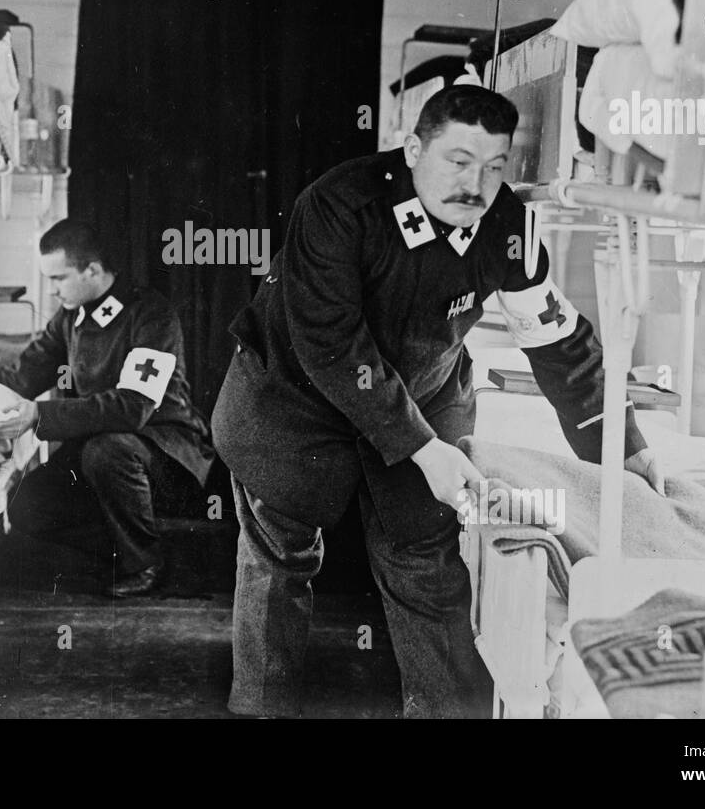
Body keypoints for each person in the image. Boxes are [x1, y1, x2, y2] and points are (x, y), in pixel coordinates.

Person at [211, 84, 663, 718]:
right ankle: (261, 708)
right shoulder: (340, 206)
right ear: (414, 148)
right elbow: (332, 343)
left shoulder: (507, 226)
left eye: (494, 166)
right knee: (279, 558)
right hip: (294, 400)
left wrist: (623, 443)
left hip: (424, 395)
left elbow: (556, 338)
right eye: (458, 160)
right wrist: (424, 448)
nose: (475, 185)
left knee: (425, 565)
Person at [0, 219, 214, 597]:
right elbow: (25, 375)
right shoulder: (71, 317)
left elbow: (133, 407)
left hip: (167, 452)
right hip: (105, 452)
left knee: (105, 450)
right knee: (30, 507)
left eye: (59, 278)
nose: (52, 289)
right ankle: (130, 548)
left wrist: (40, 416)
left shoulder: (151, 316)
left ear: (92, 270)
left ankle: (145, 563)